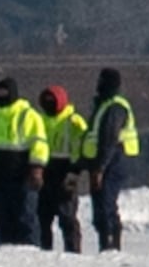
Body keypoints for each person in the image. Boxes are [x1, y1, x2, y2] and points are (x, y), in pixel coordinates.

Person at [0, 78, 46, 246]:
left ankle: (30, 250)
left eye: (5, 92)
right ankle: (6, 251)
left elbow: (39, 143)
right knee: (1, 217)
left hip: (21, 175)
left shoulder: (28, 115)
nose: (2, 96)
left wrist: (37, 167)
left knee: (25, 215)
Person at [89, 68, 138, 253]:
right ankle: (110, 244)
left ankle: (109, 245)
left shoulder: (114, 107)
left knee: (105, 204)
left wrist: (100, 168)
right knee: (104, 203)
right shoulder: (105, 105)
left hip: (113, 160)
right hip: (110, 159)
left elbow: (109, 139)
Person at [36, 84, 90, 252]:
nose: (49, 104)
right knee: (42, 217)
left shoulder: (73, 121)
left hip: (66, 170)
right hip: (44, 170)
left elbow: (83, 147)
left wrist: (75, 172)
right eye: (46, 101)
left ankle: (73, 252)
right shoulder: (39, 119)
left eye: (53, 101)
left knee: (67, 217)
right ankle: (44, 252)